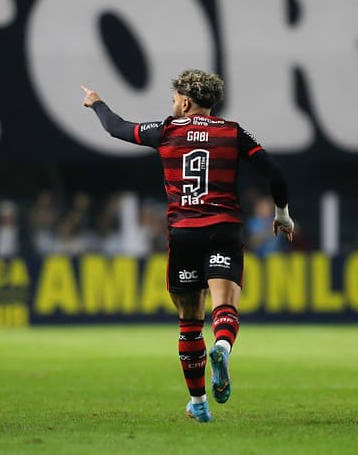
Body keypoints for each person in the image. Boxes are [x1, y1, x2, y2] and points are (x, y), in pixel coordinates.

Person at [82, 69, 294, 423]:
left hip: (184, 233)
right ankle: (223, 347)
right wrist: (282, 214)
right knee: (224, 306)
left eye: (174, 98)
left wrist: (96, 103)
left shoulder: (165, 130)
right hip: (224, 228)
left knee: (189, 322)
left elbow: (116, 127)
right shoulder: (232, 132)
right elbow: (275, 172)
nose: (173, 103)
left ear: (185, 100)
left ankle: (198, 403)